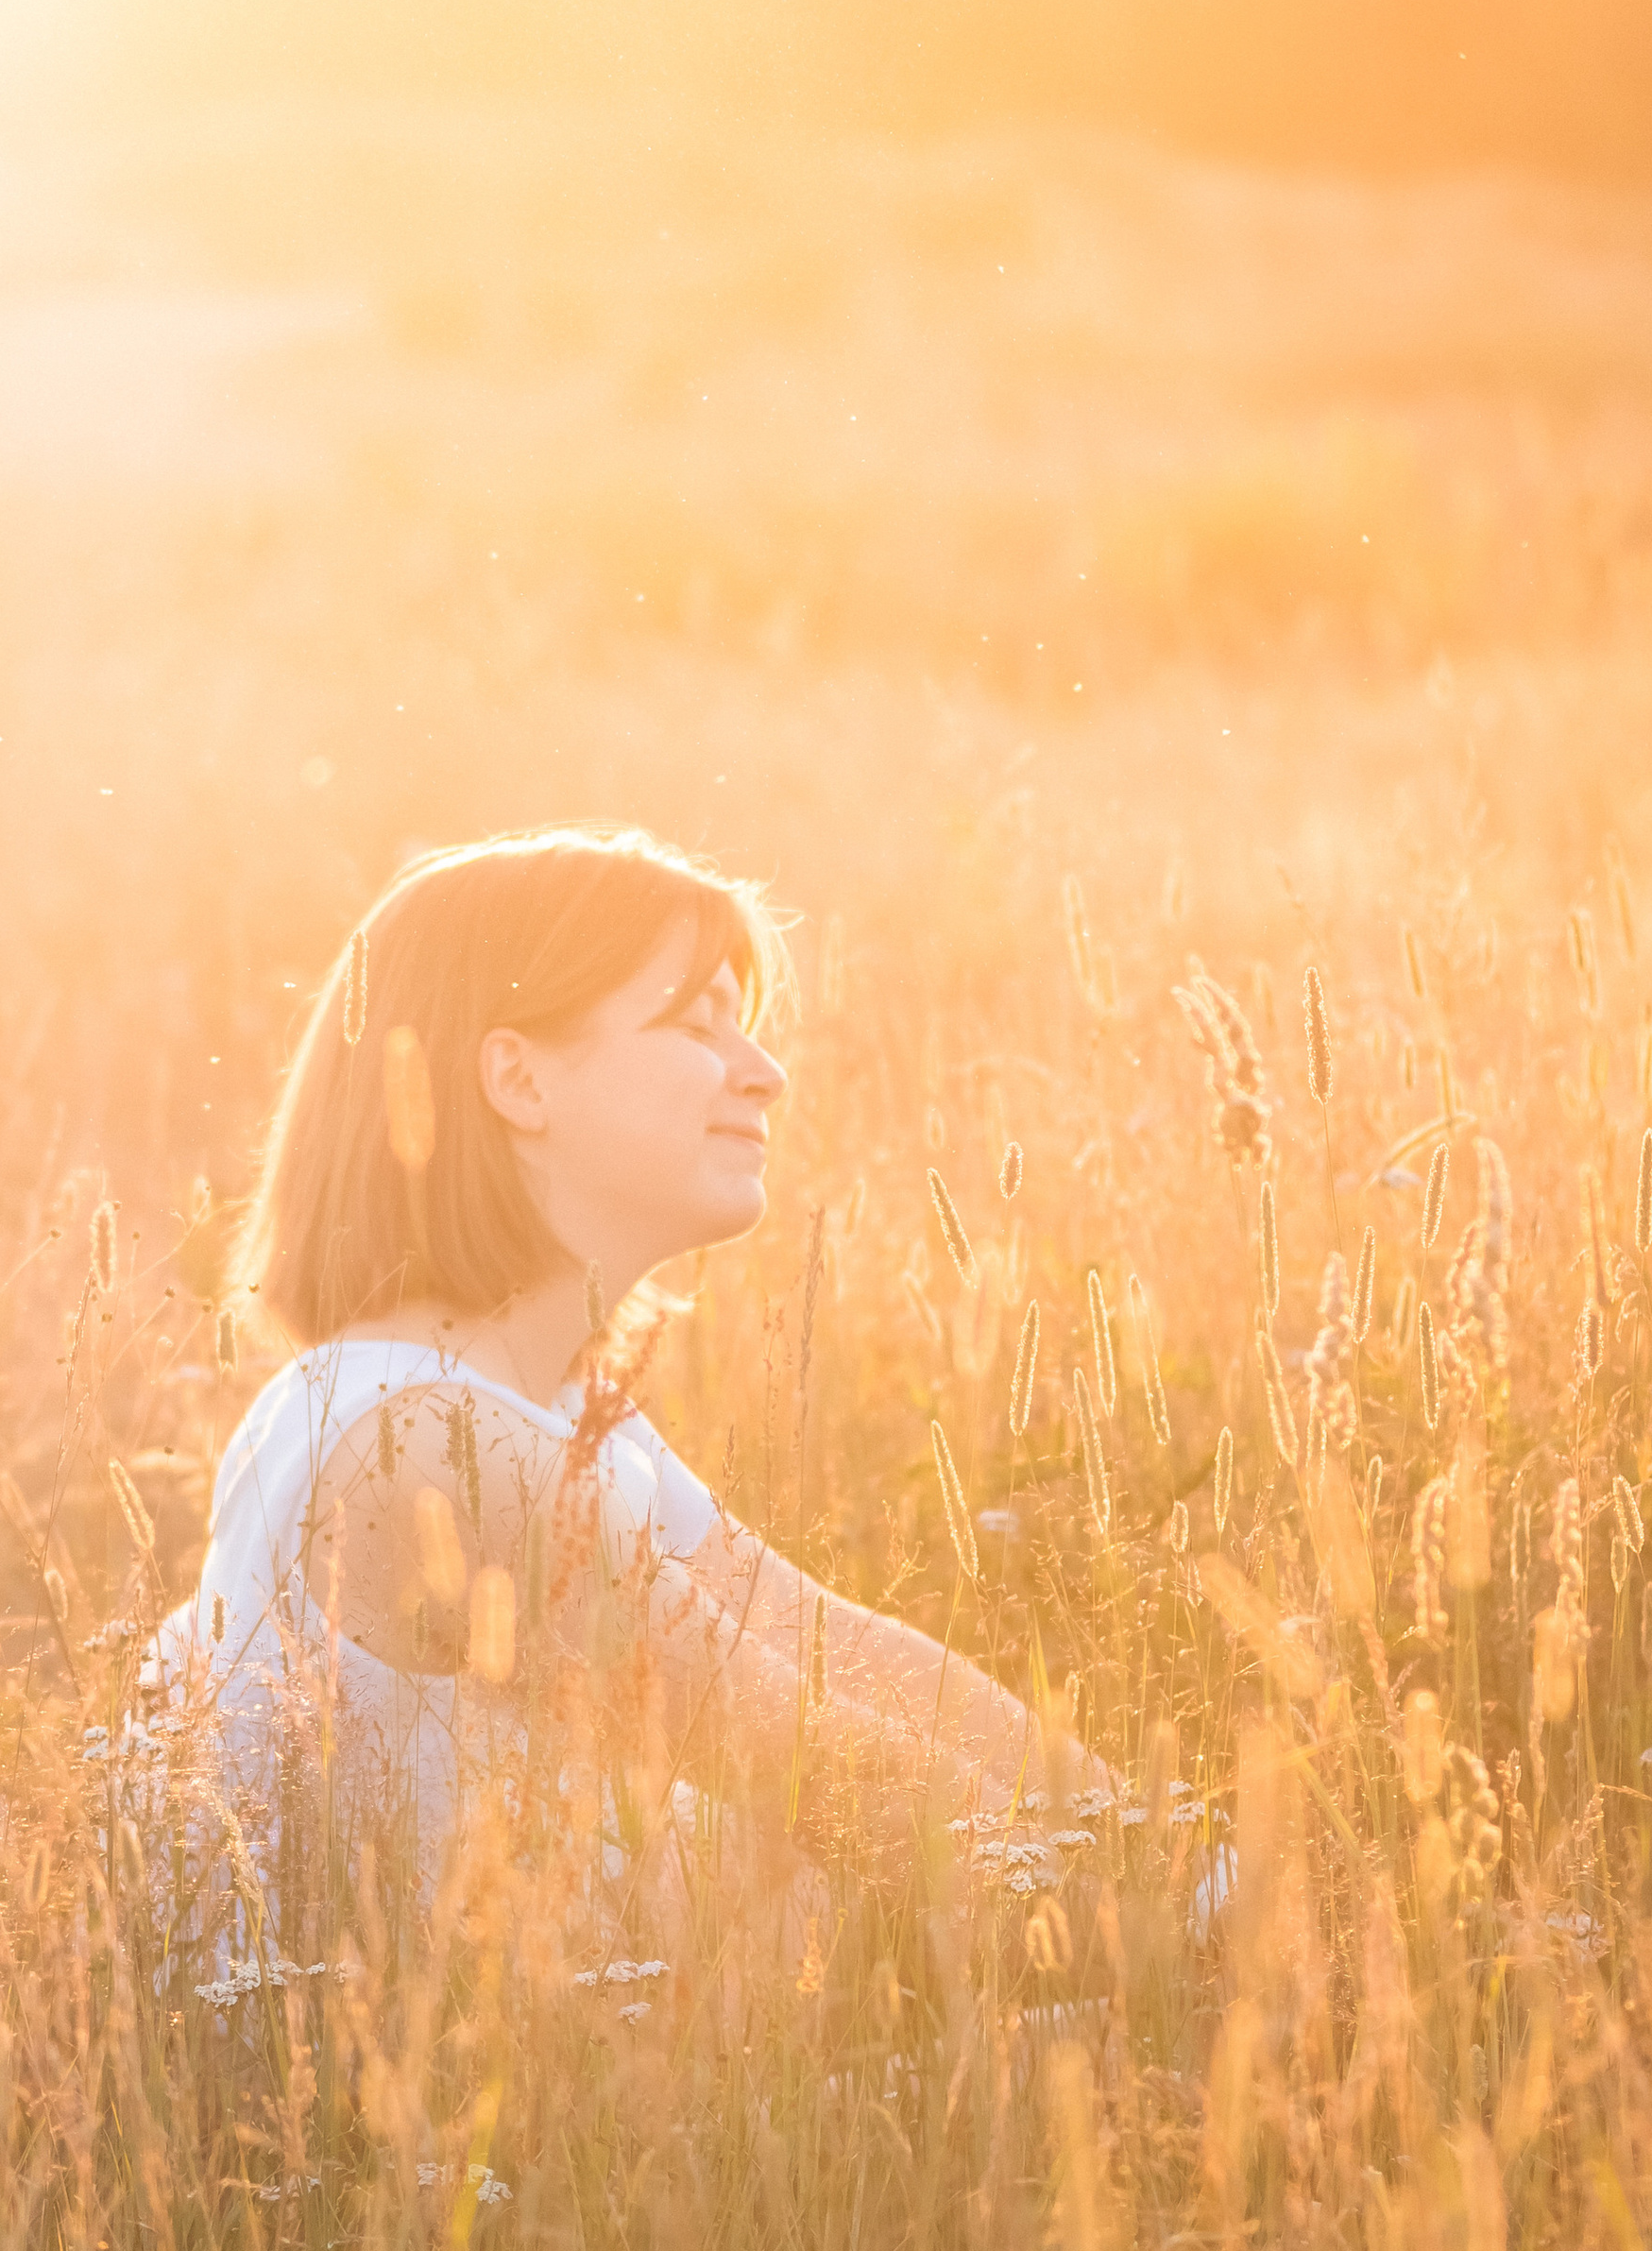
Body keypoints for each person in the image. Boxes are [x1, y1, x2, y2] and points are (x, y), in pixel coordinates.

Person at [152, 822, 1087, 1958]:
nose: (765, 1072)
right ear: (518, 1079)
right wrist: (1171, 1917)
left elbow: (842, 1653)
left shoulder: (554, 1410)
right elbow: (810, 1761)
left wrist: (1154, 1844)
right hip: (427, 2077)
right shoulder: (424, 1447)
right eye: (695, 1024)